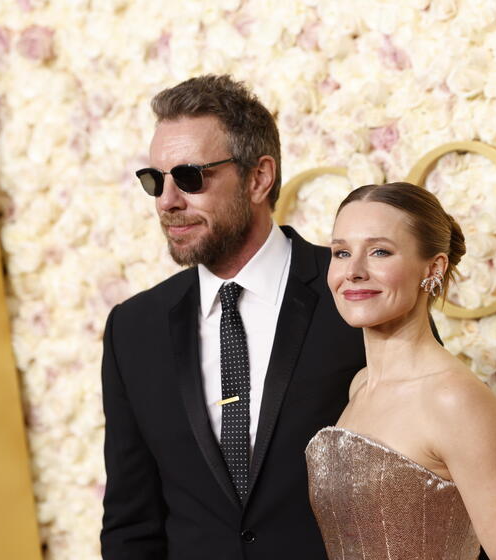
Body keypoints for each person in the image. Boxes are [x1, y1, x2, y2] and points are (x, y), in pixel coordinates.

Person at [99, 75, 366, 559]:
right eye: (155, 181)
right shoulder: (132, 330)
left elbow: (435, 483)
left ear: (259, 178)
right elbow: (131, 523)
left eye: (190, 178)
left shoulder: (358, 293)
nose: (167, 201)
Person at [306, 182, 496, 560]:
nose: (352, 271)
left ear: (433, 267)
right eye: (341, 253)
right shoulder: (361, 386)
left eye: (380, 251)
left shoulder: (454, 399)